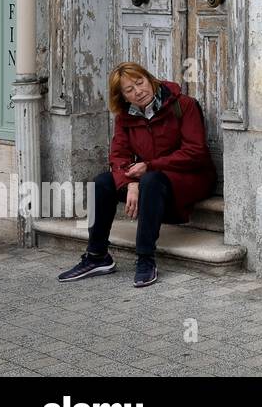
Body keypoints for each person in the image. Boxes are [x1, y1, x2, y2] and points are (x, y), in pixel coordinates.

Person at [57, 62, 216, 288]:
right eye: (129, 90)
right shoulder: (125, 116)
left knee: (151, 180)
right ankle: (97, 256)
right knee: (101, 183)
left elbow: (195, 152)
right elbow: (119, 155)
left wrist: (149, 166)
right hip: (149, 178)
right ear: (123, 96)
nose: (138, 91)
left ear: (150, 79)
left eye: (139, 83)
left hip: (191, 177)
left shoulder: (184, 105)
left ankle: (145, 259)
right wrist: (131, 182)